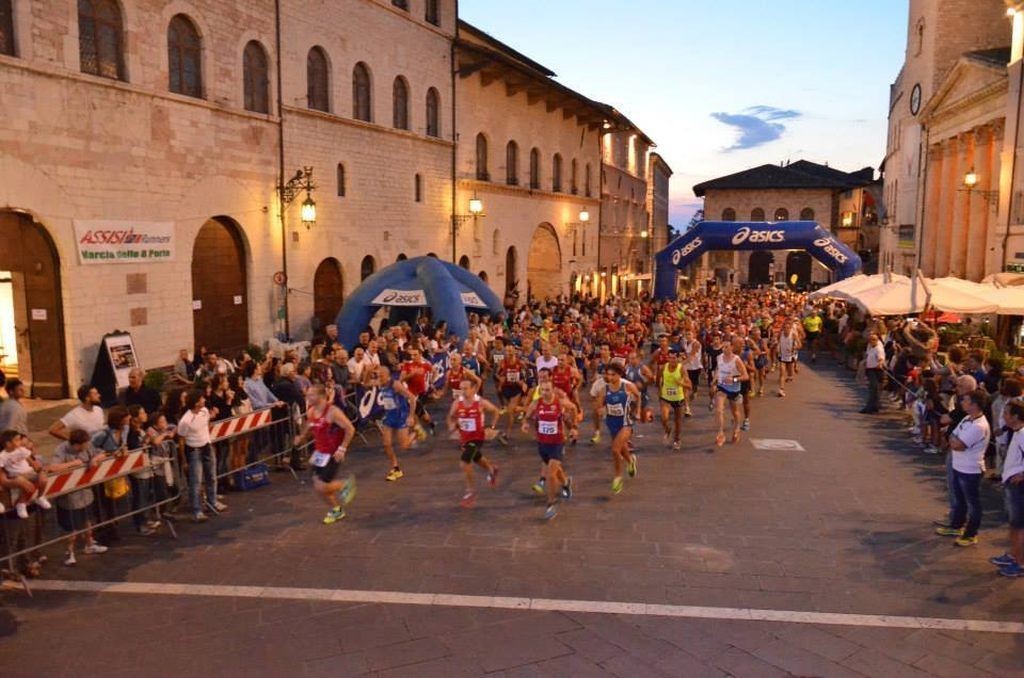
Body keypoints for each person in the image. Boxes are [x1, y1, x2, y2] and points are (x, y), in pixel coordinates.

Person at [293, 384, 356, 525]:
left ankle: (344, 484)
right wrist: (301, 437)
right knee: (318, 487)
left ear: (321, 396)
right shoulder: (311, 411)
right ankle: (336, 509)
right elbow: (310, 425)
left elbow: (350, 429)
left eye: (311, 395)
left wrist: (342, 449)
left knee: (322, 486)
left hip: (333, 453)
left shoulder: (332, 412)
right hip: (319, 452)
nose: (308, 398)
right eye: (307, 395)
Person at [936, 389, 991, 547]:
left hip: (970, 469)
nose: (962, 402)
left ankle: (971, 534)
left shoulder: (979, 426)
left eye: (965, 400)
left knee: (973, 503)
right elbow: (953, 435)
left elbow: (958, 444)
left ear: (974, 404)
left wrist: (953, 438)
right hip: (958, 466)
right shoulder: (967, 418)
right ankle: (956, 525)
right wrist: (953, 438)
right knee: (959, 499)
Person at [49, 429, 108, 565]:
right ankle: (69, 553)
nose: (88, 445)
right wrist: (72, 464)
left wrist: (95, 459)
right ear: (77, 444)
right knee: (71, 528)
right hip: (69, 497)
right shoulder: (62, 449)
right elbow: (53, 467)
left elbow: (102, 453)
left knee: (87, 520)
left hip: (85, 492)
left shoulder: (88, 447)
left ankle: (89, 544)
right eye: (85, 444)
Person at [522, 379, 577, 520]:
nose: (544, 393)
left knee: (551, 473)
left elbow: (573, 408)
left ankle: (550, 505)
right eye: (542, 390)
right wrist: (525, 424)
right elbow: (527, 416)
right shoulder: (536, 403)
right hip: (542, 443)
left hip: (557, 443)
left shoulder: (559, 402)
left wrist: (574, 428)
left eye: (547, 390)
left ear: (553, 390)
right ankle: (566, 483)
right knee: (557, 470)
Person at [447, 378, 501, 509]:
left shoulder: (481, 402)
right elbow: (451, 416)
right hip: (464, 437)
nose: (463, 391)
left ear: (473, 389)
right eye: (461, 388)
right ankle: (491, 469)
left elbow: (496, 411)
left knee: (465, 462)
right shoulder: (457, 403)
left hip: (477, 437)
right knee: (476, 458)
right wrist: (452, 427)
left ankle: (470, 492)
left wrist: (492, 427)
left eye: (466, 388)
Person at [176, 390, 227, 522]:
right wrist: (184, 460)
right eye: (202, 398)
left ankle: (212, 501)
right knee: (196, 482)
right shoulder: (185, 420)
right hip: (194, 450)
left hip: (207, 446)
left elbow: (207, 424)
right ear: (196, 402)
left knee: (211, 476)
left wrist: (208, 440)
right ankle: (197, 510)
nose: (204, 400)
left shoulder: (204, 411)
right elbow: (181, 439)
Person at [991, 401, 1024, 576]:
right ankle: (1013, 555)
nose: (1004, 417)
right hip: (1011, 483)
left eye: (1006, 414)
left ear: (1016, 416)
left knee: (1019, 526)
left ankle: (1020, 564)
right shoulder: (1016, 432)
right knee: (1014, 524)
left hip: (1018, 487)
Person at [602, 364, 640, 495]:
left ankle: (618, 476)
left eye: (613, 374)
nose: (610, 377)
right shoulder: (605, 388)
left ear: (619, 375)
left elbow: (638, 396)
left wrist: (638, 411)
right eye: (608, 374)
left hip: (625, 423)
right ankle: (631, 461)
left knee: (615, 449)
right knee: (622, 448)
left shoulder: (627, 386)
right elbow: (598, 404)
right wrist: (600, 409)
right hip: (611, 422)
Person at [371, 365, 412, 481]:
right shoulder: (379, 383)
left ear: (388, 376)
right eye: (378, 376)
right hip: (389, 416)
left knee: (404, 446)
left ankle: (415, 434)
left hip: (401, 416)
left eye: (382, 376)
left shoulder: (395, 385)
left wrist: (411, 416)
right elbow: (365, 383)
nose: (380, 379)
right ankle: (395, 468)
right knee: (386, 444)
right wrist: (368, 372)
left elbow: (412, 398)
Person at [0, 430, 52, 518]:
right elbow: (3, 475)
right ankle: (21, 503)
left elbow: (32, 462)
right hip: (16, 475)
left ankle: (40, 497)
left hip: (29, 472)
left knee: (43, 479)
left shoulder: (22, 450)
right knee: (23, 483)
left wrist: (40, 470)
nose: (20, 442)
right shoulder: (2, 456)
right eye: (17, 440)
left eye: (20, 439)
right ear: (8, 444)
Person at [713, 338, 749, 448]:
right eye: (723, 347)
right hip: (722, 386)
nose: (724, 349)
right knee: (719, 409)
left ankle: (737, 428)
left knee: (735, 412)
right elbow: (718, 369)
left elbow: (745, 376)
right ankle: (720, 433)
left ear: (732, 347)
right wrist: (714, 379)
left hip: (733, 388)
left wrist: (733, 379)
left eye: (727, 347)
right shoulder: (719, 357)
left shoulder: (736, 360)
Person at [658, 350, 689, 450]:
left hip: (678, 397)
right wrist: (659, 391)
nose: (672, 360)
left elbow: (689, 385)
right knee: (664, 418)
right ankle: (667, 429)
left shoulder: (681, 369)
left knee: (678, 420)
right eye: (670, 358)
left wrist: (681, 384)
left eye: (674, 358)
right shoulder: (664, 367)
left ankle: (677, 439)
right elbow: (658, 380)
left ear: (678, 359)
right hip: (665, 397)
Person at [860, 332, 886, 414]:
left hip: (875, 371)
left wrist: (880, 363)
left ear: (877, 340)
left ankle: (870, 407)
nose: (872, 341)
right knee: (874, 389)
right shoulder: (871, 347)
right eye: (870, 340)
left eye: (874, 339)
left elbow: (881, 358)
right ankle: (874, 407)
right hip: (870, 369)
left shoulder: (878, 349)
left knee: (874, 389)